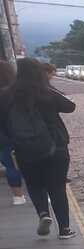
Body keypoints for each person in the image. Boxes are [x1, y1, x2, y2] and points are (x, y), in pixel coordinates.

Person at [0, 58, 76, 238]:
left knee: (34, 184)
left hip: (24, 148)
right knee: (57, 187)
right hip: (55, 146)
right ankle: (64, 229)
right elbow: (70, 106)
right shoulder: (46, 91)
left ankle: (43, 213)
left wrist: (10, 141)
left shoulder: (5, 95)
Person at [0, 61, 26, 205]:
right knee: (31, 164)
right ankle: (42, 194)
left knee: (10, 166)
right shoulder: (18, 91)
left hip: (3, 136)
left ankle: (18, 197)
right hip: (24, 134)